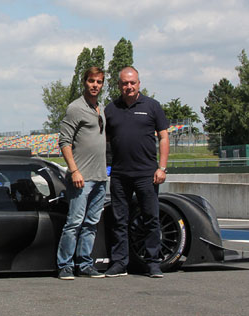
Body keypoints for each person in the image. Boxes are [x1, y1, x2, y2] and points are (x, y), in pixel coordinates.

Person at [104, 66, 170, 278]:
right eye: (125, 83)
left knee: (151, 218)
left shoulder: (152, 106)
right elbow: (104, 141)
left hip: (147, 174)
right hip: (120, 175)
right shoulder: (110, 109)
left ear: (139, 84)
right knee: (119, 220)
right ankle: (119, 263)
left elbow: (164, 137)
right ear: (119, 85)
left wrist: (162, 167)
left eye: (132, 82)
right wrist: (106, 166)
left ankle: (153, 262)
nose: (129, 86)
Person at [56, 67, 108, 279]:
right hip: (81, 178)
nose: (95, 85)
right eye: (91, 81)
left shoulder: (100, 108)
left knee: (91, 224)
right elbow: (64, 142)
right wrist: (74, 170)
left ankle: (85, 263)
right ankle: (65, 265)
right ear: (84, 82)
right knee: (74, 223)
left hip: (100, 177)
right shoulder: (75, 108)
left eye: (99, 82)